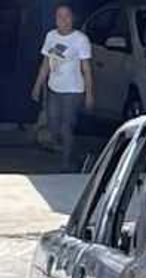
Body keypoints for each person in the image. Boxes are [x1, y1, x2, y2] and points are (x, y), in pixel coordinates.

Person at [31, 3, 93, 172]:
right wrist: (37, 85)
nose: (63, 20)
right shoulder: (51, 36)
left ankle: (66, 163)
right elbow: (46, 63)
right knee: (53, 125)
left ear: (72, 18)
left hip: (73, 90)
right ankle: (76, 153)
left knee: (66, 126)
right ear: (55, 19)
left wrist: (89, 94)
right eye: (60, 16)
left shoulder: (80, 39)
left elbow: (86, 68)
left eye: (67, 16)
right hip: (54, 88)